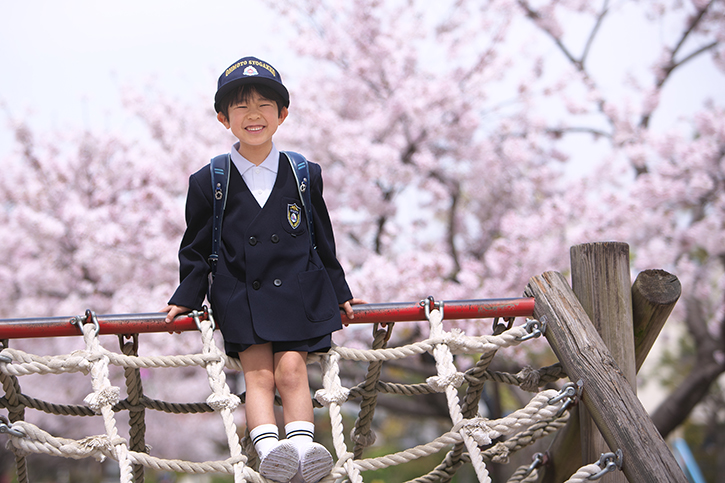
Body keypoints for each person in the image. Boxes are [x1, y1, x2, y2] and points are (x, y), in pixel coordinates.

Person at [163, 56, 364, 483]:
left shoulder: (304, 173)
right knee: (257, 375)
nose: (253, 115)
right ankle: (270, 453)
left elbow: (322, 239)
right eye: (241, 106)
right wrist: (185, 296)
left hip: (297, 290)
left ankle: (305, 450)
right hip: (240, 293)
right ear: (223, 118)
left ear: (282, 114)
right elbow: (196, 247)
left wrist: (340, 289)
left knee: (292, 371)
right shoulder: (209, 179)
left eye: (264, 105)